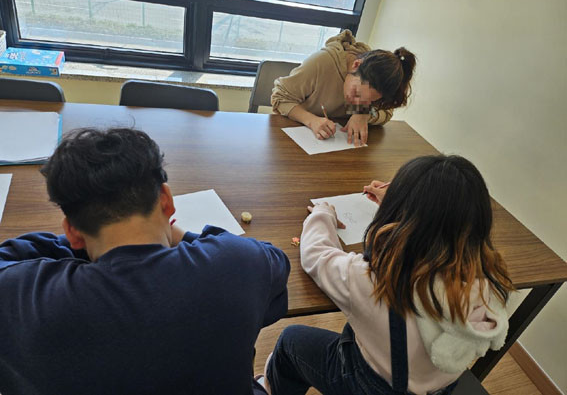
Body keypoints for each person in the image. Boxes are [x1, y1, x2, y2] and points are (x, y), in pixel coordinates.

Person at [0, 128, 290, 395]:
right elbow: (276, 262)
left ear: (72, 232)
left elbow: (10, 256)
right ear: (166, 200)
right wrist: (179, 235)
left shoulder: (20, 296)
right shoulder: (238, 264)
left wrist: (86, 242)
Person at [261, 155, 514, 395]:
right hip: (434, 386)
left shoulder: (376, 282)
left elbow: (316, 255)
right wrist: (405, 207)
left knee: (289, 342)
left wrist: (322, 214)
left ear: (403, 219)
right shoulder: (490, 284)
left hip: (366, 385)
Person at [271, 29, 416, 146]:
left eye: (367, 101)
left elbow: (386, 113)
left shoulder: (376, 78)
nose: (357, 103)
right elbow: (280, 97)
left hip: (335, 145)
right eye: (356, 93)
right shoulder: (322, 62)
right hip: (295, 136)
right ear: (356, 65)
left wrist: (362, 113)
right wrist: (312, 120)